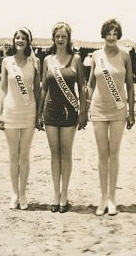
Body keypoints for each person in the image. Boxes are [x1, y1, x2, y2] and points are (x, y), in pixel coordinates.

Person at [87, 19, 135, 216]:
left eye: (115, 33)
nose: (111, 36)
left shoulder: (125, 55)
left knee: (113, 154)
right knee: (101, 155)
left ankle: (112, 199)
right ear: (103, 34)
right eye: (108, 32)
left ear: (119, 35)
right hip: (99, 109)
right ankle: (103, 198)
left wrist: (131, 112)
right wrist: (86, 107)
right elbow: (90, 84)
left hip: (118, 110)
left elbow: (130, 85)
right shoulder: (96, 55)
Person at [37, 22, 86, 213]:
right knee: (54, 153)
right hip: (50, 110)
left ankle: (64, 195)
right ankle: (55, 195)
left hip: (69, 111)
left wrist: (83, 111)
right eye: (57, 36)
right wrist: (39, 113)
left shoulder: (76, 59)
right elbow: (43, 88)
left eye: (63, 37)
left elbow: (82, 87)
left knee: (66, 153)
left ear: (68, 39)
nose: (60, 40)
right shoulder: (47, 60)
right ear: (53, 38)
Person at [0, 27, 40, 210]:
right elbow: (3, 88)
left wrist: (39, 115)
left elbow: (37, 89)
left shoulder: (34, 61)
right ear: (14, 41)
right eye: (17, 38)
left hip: (29, 112)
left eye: (23, 38)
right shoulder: (7, 61)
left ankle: (23, 193)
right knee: (13, 155)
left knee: (25, 154)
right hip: (11, 112)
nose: (20, 41)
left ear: (29, 41)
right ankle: (14, 193)